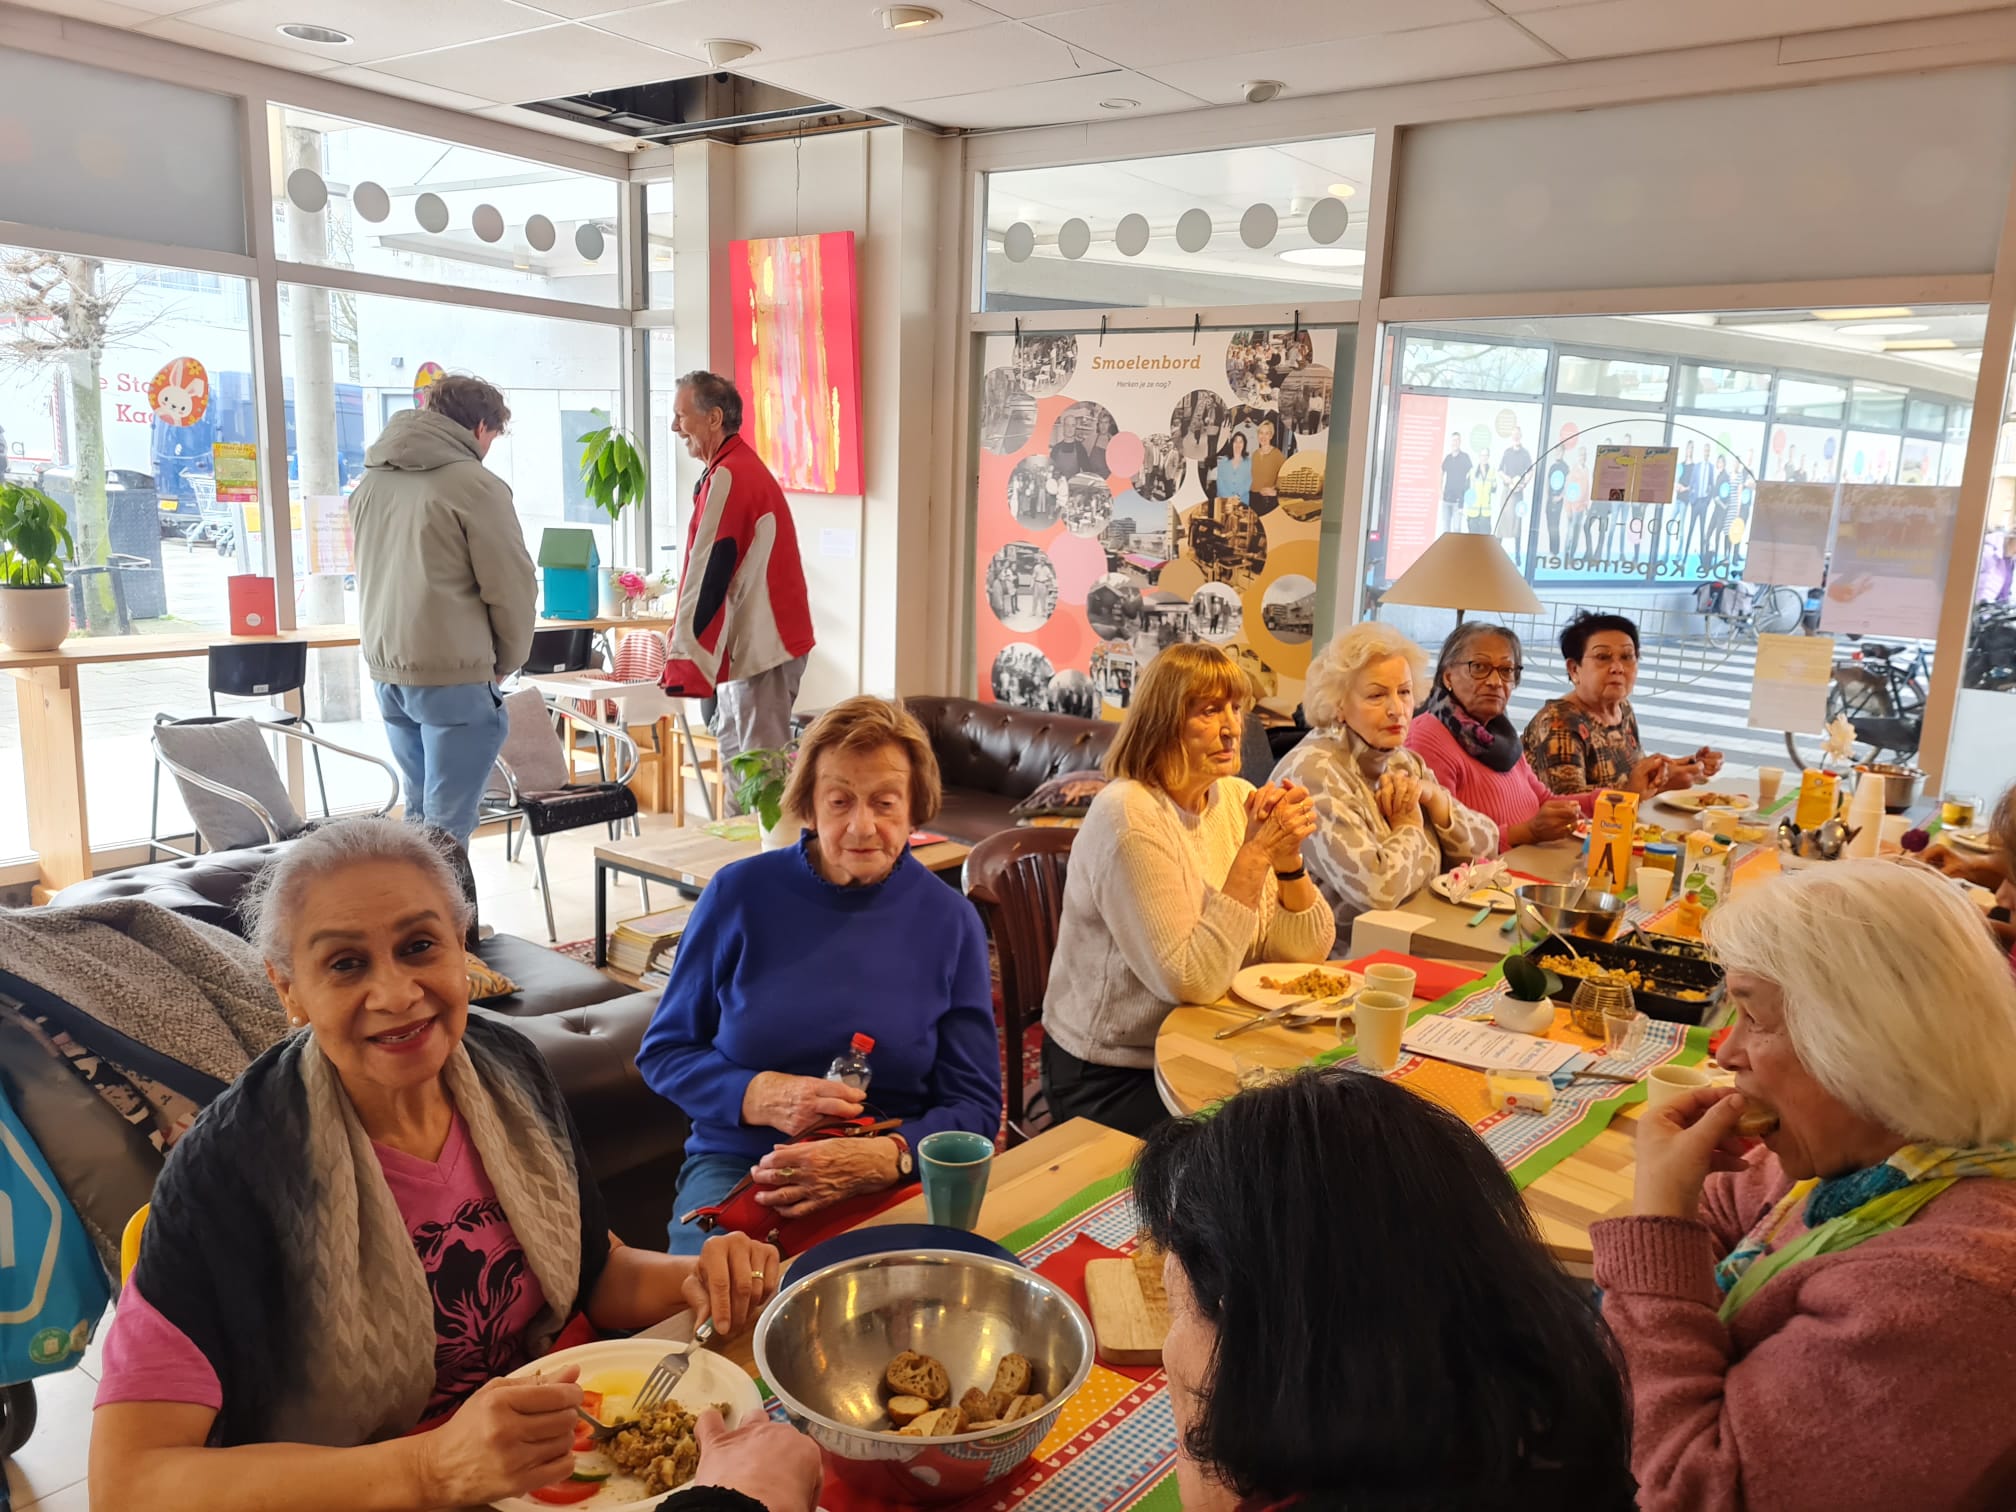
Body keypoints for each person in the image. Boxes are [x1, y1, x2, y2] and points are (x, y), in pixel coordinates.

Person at [87, 819, 812, 1512]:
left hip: (584, 1462)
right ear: (289, 990)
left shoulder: (509, 1071)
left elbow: (594, 1273)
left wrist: (693, 1278)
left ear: (461, 947)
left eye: (418, 946)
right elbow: (130, 1483)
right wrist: (432, 1469)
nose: (396, 994)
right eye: (345, 963)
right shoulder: (229, 1173)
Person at [1593, 861, 2016, 1511]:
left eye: (1755, 1018)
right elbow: (1730, 1204)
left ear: (1867, 1042)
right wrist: (1679, 1217)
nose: (1726, 1053)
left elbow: (1697, 1489)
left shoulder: (1939, 1295)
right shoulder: (1886, 1158)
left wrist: (1657, 1224)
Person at [1139, 1067, 1638, 1510]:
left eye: (1182, 1307)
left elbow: (1210, 1495)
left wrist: (1199, 1401)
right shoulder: (1543, 1408)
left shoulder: (1318, 1471)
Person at [639, 697, 1000, 1252]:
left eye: (885, 803)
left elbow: (975, 1105)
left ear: (914, 809)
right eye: (839, 802)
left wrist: (890, 1155)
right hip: (744, 1164)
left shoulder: (950, 922)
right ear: (809, 804)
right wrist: (758, 1094)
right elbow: (664, 1053)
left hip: (884, 1165)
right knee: (718, 1308)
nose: (863, 826)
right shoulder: (739, 895)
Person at [1041, 644, 1334, 1137]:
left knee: (1323, 1112)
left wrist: (1286, 861)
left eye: (1235, 708)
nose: (1232, 727)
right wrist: (1254, 855)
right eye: (1208, 710)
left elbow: (1304, 956)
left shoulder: (1236, 796)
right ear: (1162, 722)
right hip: (1112, 1069)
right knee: (1263, 1148)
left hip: (1211, 1041)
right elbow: (1190, 980)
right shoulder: (1130, 815)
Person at [348, 375, 534, 848]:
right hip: (454, 674)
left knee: (418, 819)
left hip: (389, 672)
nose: (489, 447)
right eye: (493, 436)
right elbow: (511, 587)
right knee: (448, 828)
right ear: (479, 427)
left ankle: (408, 921)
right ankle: (447, 924)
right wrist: (504, 663)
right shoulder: (474, 485)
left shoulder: (372, 480)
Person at [1269, 623, 1495, 929]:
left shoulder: (1403, 760)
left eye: (1404, 692)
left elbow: (1486, 851)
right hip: (1340, 960)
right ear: (1338, 705)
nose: (1397, 710)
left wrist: (1438, 802)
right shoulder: (1312, 774)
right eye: (1376, 696)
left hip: (1419, 934)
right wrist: (1410, 828)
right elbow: (1378, 891)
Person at [664, 371, 816, 812]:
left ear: (713, 418)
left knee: (759, 776)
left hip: (762, 647)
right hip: (752, 648)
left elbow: (706, 572)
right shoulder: (733, 468)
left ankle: (761, 874)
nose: (676, 427)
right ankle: (734, 868)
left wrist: (685, 655)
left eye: (681, 416)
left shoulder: (731, 475)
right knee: (740, 766)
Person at [1408, 623, 1586, 852]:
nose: (1495, 682)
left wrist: (1616, 799)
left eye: (1506, 670)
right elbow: (1441, 842)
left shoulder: (1499, 733)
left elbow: (1544, 800)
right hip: (1476, 882)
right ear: (1448, 676)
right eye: (1480, 667)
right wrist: (1527, 832)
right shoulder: (1427, 737)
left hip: (1527, 868)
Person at [1522, 611, 1722, 797]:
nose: (1618, 668)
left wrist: (1690, 764)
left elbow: (1633, 773)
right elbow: (1568, 806)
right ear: (1574, 669)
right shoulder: (1559, 722)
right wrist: (1664, 783)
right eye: (1603, 657)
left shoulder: (1622, 708)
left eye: (1627, 657)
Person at [1247, 415, 1285, 516]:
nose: (1263, 437)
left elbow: (1285, 477)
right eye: (1261, 433)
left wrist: (1276, 491)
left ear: (1271, 436)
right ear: (1257, 435)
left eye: (1267, 433)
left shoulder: (1277, 454)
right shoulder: (1255, 454)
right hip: (1252, 499)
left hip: (1267, 501)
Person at [1439, 430, 1472, 536]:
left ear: (1460, 442)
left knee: (1457, 529)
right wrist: (1440, 489)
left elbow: (1471, 473)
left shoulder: (1465, 457)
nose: (1455, 442)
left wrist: (1466, 491)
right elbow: (1441, 472)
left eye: (1457, 440)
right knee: (1445, 530)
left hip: (1458, 501)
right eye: (1453, 440)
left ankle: (1455, 551)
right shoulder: (1448, 459)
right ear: (1451, 442)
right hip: (1446, 500)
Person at [1215, 431, 1252, 507]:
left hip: (1242, 500)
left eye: (1241, 442)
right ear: (1232, 444)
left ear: (1244, 445)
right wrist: (1228, 498)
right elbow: (1220, 481)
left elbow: (1249, 481)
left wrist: (1237, 496)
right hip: (1224, 500)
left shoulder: (1249, 462)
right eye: (1236, 441)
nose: (1238, 445)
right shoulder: (1222, 461)